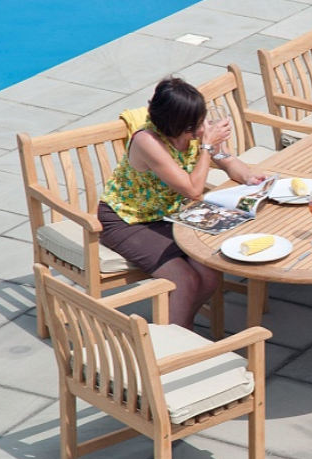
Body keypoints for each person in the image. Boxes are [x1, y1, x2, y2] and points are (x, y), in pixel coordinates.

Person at [98, 76, 265, 329]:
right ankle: (177, 339)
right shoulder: (148, 141)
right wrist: (206, 146)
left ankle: (177, 326)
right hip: (128, 220)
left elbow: (227, 160)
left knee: (209, 274)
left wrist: (250, 178)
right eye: (195, 124)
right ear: (177, 123)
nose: (201, 127)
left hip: (169, 216)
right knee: (185, 280)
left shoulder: (192, 129)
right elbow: (193, 190)